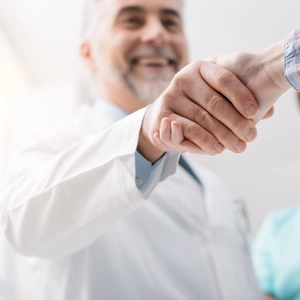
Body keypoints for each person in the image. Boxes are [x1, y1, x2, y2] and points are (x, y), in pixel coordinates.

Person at [0, 0, 289, 299]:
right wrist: (148, 132)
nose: (156, 34)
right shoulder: (48, 148)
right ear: (89, 54)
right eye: (132, 20)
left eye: (170, 21)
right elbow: (21, 225)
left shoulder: (212, 184)